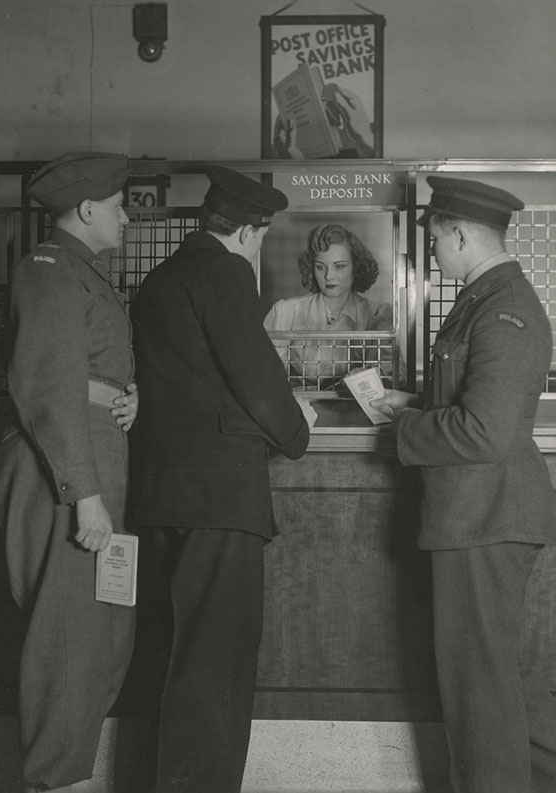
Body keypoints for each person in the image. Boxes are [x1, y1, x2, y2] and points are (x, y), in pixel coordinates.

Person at [130, 165, 313, 793]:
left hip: (160, 496)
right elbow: (256, 375)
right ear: (251, 232)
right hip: (221, 501)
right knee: (215, 670)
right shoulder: (225, 270)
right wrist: (296, 433)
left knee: (169, 659)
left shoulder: (159, 278)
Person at [371, 176, 556, 793]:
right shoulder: (487, 295)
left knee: (478, 683)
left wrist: (408, 426)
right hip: (482, 515)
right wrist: (416, 401)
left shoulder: (503, 307)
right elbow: (472, 402)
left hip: (485, 517)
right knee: (502, 677)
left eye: (432, 239)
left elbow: (485, 433)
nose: (430, 253)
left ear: (457, 233)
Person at [0, 151, 138, 793]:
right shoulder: (48, 270)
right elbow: (49, 389)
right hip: (66, 481)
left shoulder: (83, 273)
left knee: (96, 640)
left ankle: (65, 774)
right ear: (85, 210)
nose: (127, 216)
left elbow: (88, 373)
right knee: (67, 648)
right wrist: (84, 496)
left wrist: (129, 395)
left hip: (90, 467)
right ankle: (53, 780)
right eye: (117, 204)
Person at [263, 223, 393, 386]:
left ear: (356, 268)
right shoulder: (286, 312)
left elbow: (392, 371)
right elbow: (265, 373)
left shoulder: (376, 315)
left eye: (339, 267)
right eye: (320, 267)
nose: (328, 276)